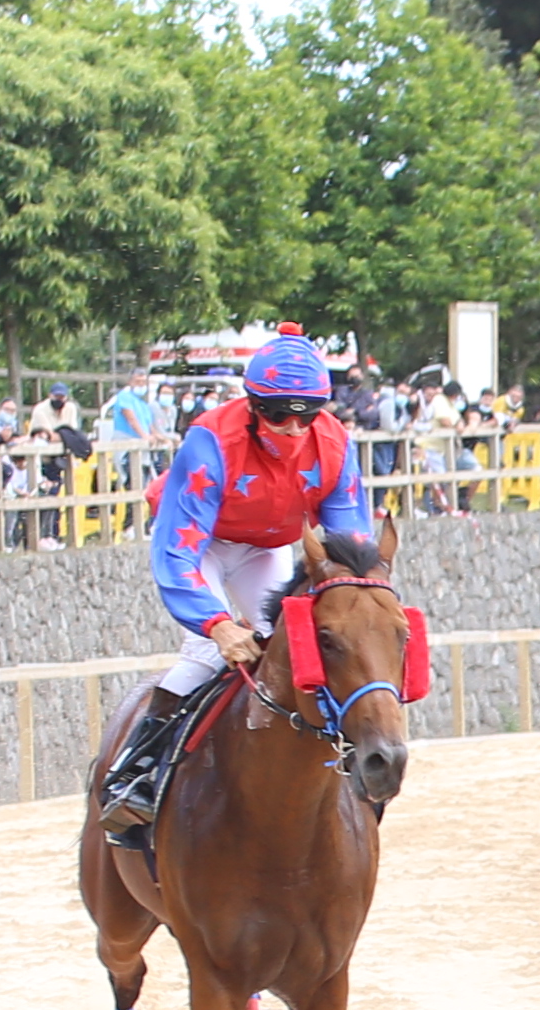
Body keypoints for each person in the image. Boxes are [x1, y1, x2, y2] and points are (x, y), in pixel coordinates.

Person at [92, 331, 380, 841]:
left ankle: (344, 759)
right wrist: (219, 623)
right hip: (201, 542)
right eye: (277, 414)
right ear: (251, 404)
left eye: (306, 415)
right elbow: (176, 551)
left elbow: (347, 542)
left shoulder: (334, 443)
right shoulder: (210, 441)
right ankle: (137, 771)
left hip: (266, 545)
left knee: (288, 647)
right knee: (208, 649)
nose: (293, 428)